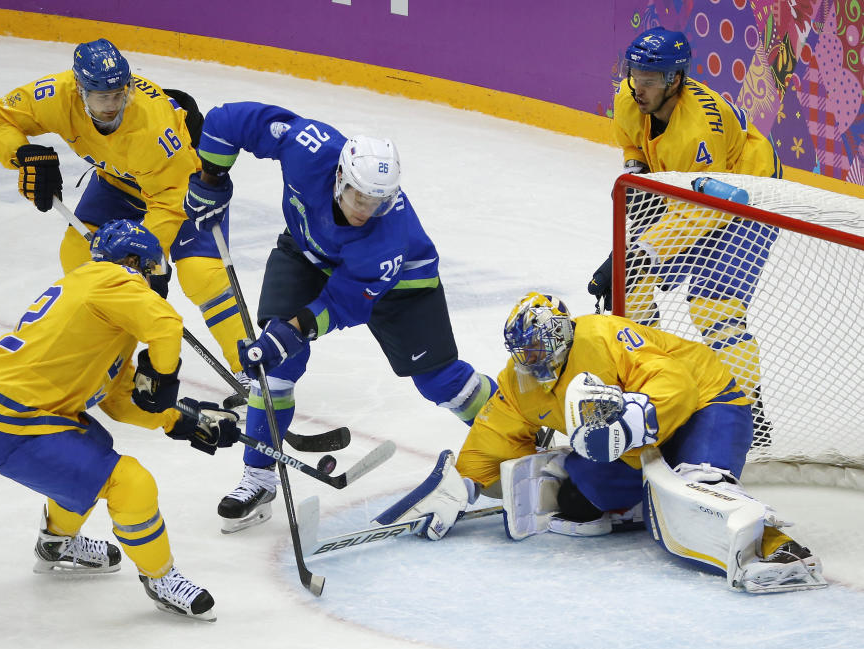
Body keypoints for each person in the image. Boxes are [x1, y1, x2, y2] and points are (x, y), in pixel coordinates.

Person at [181, 102, 498, 532]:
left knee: (441, 381)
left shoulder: (386, 239)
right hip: (307, 252)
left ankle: (516, 430)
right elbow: (224, 122)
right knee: (276, 367)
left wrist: (290, 332)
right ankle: (258, 478)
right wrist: (211, 179)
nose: (364, 209)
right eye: (358, 197)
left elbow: (343, 304)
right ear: (340, 177)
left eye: (377, 202)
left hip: (403, 282)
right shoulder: (306, 146)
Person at [377, 292, 825, 593]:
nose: (534, 361)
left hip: (707, 403)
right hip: (643, 439)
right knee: (581, 478)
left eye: (540, 349)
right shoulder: (519, 381)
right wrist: (464, 483)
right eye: (525, 353)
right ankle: (640, 507)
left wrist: (635, 420)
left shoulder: (604, 337)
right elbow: (495, 433)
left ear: (563, 333)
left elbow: (677, 383)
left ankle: (778, 549)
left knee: (697, 487)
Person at [0, 219, 242, 620]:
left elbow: (120, 401)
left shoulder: (97, 301)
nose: (157, 278)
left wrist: (182, 420)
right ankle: (160, 578)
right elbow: (165, 325)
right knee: (130, 482)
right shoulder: (113, 278)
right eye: (153, 267)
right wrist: (162, 375)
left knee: (93, 453)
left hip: (11, 414)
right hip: (16, 421)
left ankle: (56, 544)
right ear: (133, 262)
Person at [0, 38, 249, 396]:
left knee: (201, 274)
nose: (112, 105)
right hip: (118, 184)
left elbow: (171, 200)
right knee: (80, 258)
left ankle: (250, 369)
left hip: (183, 188)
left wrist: (145, 256)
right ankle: (104, 361)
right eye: (102, 97)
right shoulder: (55, 95)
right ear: (79, 89)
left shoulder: (151, 128)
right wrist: (23, 153)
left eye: (119, 94)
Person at [587, 26, 782, 444]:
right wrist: (639, 172)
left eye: (650, 79)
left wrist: (644, 249)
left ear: (675, 80)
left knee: (714, 307)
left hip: (750, 196)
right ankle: (654, 383)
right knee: (632, 285)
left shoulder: (697, 132)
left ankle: (748, 413)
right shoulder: (628, 97)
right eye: (634, 73)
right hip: (691, 195)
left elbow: (703, 212)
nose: (638, 86)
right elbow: (634, 144)